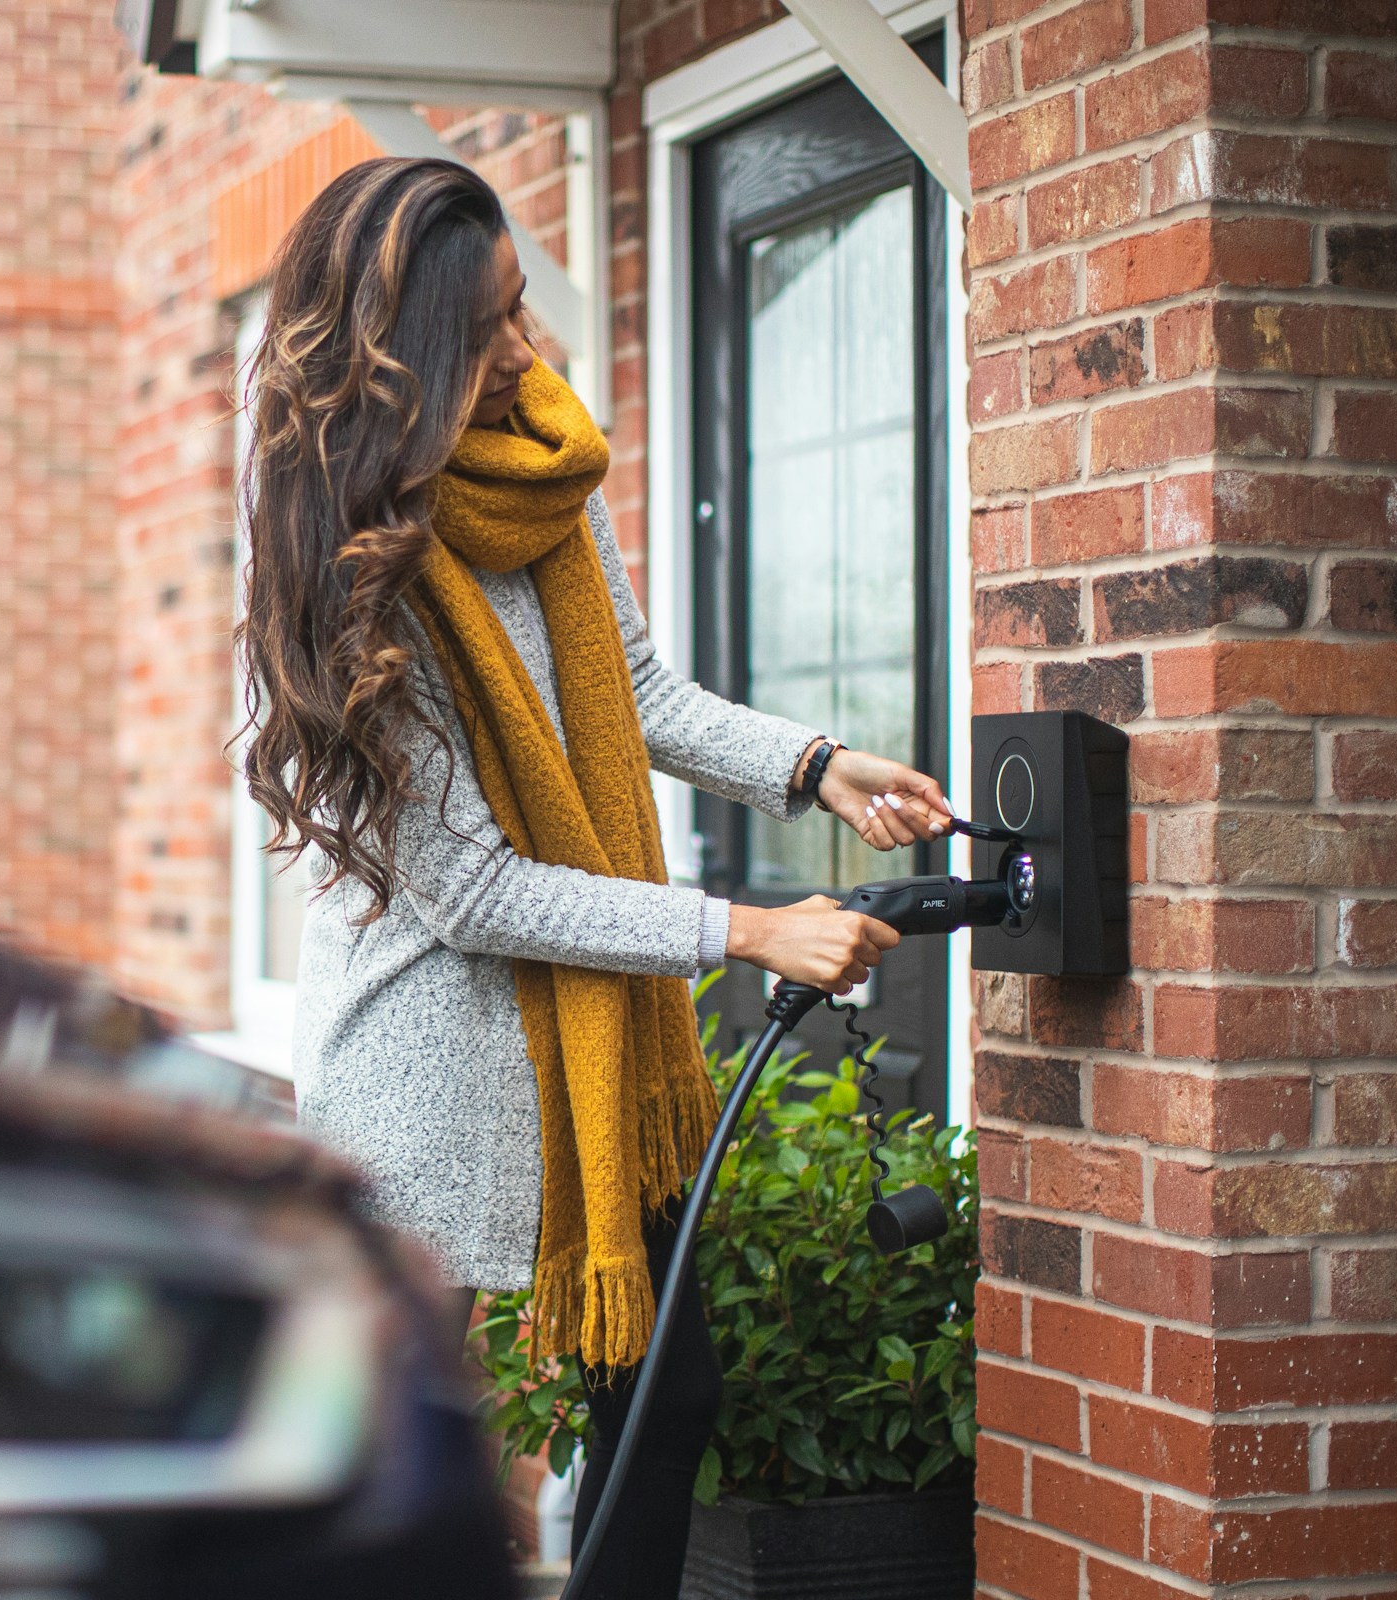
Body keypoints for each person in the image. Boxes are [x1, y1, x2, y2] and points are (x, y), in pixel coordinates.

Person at [235, 156, 954, 1598]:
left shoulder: (548, 465)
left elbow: (638, 695)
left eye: (521, 311)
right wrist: (745, 927)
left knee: (666, 1398)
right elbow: (479, 890)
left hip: (602, 1069)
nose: (525, 354)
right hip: (436, 1095)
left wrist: (816, 764)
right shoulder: (356, 569)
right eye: (485, 335)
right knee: (441, 1502)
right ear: (403, 360)